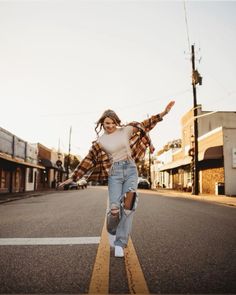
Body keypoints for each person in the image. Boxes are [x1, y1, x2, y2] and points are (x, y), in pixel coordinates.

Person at [59, 100, 175, 257]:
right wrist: (72, 178)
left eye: (113, 123)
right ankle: (112, 227)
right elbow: (87, 161)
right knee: (115, 210)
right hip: (115, 173)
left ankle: (120, 243)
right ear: (102, 123)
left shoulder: (125, 131)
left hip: (131, 169)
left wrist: (163, 113)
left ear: (116, 122)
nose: (110, 126)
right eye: (107, 123)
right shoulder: (100, 142)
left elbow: (145, 124)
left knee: (129, 203)